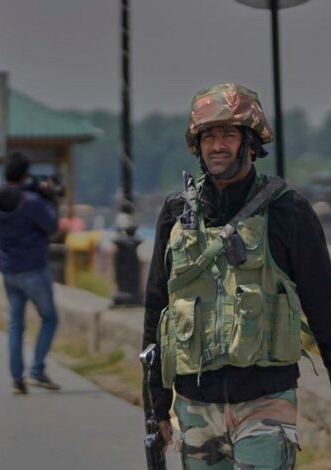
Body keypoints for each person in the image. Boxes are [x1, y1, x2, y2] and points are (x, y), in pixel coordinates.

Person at [142, 82, 331, 469]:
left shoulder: (288, 211)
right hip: (195, 405)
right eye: (208, 136)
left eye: (228, 135)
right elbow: (157, 309)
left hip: (266, 400)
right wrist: (156, 408)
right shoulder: (177, 214)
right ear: (197, 145)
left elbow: (324, 309)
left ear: (251, 143)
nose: (217, 146)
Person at [0, 152, 60, 394]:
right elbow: (52, 226)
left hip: (9, 270)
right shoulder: (32, 202)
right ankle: (37, 370)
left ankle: (16, 379)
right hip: (34, 269)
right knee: (49, 318)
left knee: (15, 325)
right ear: (26, 173)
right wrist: (49, 197)